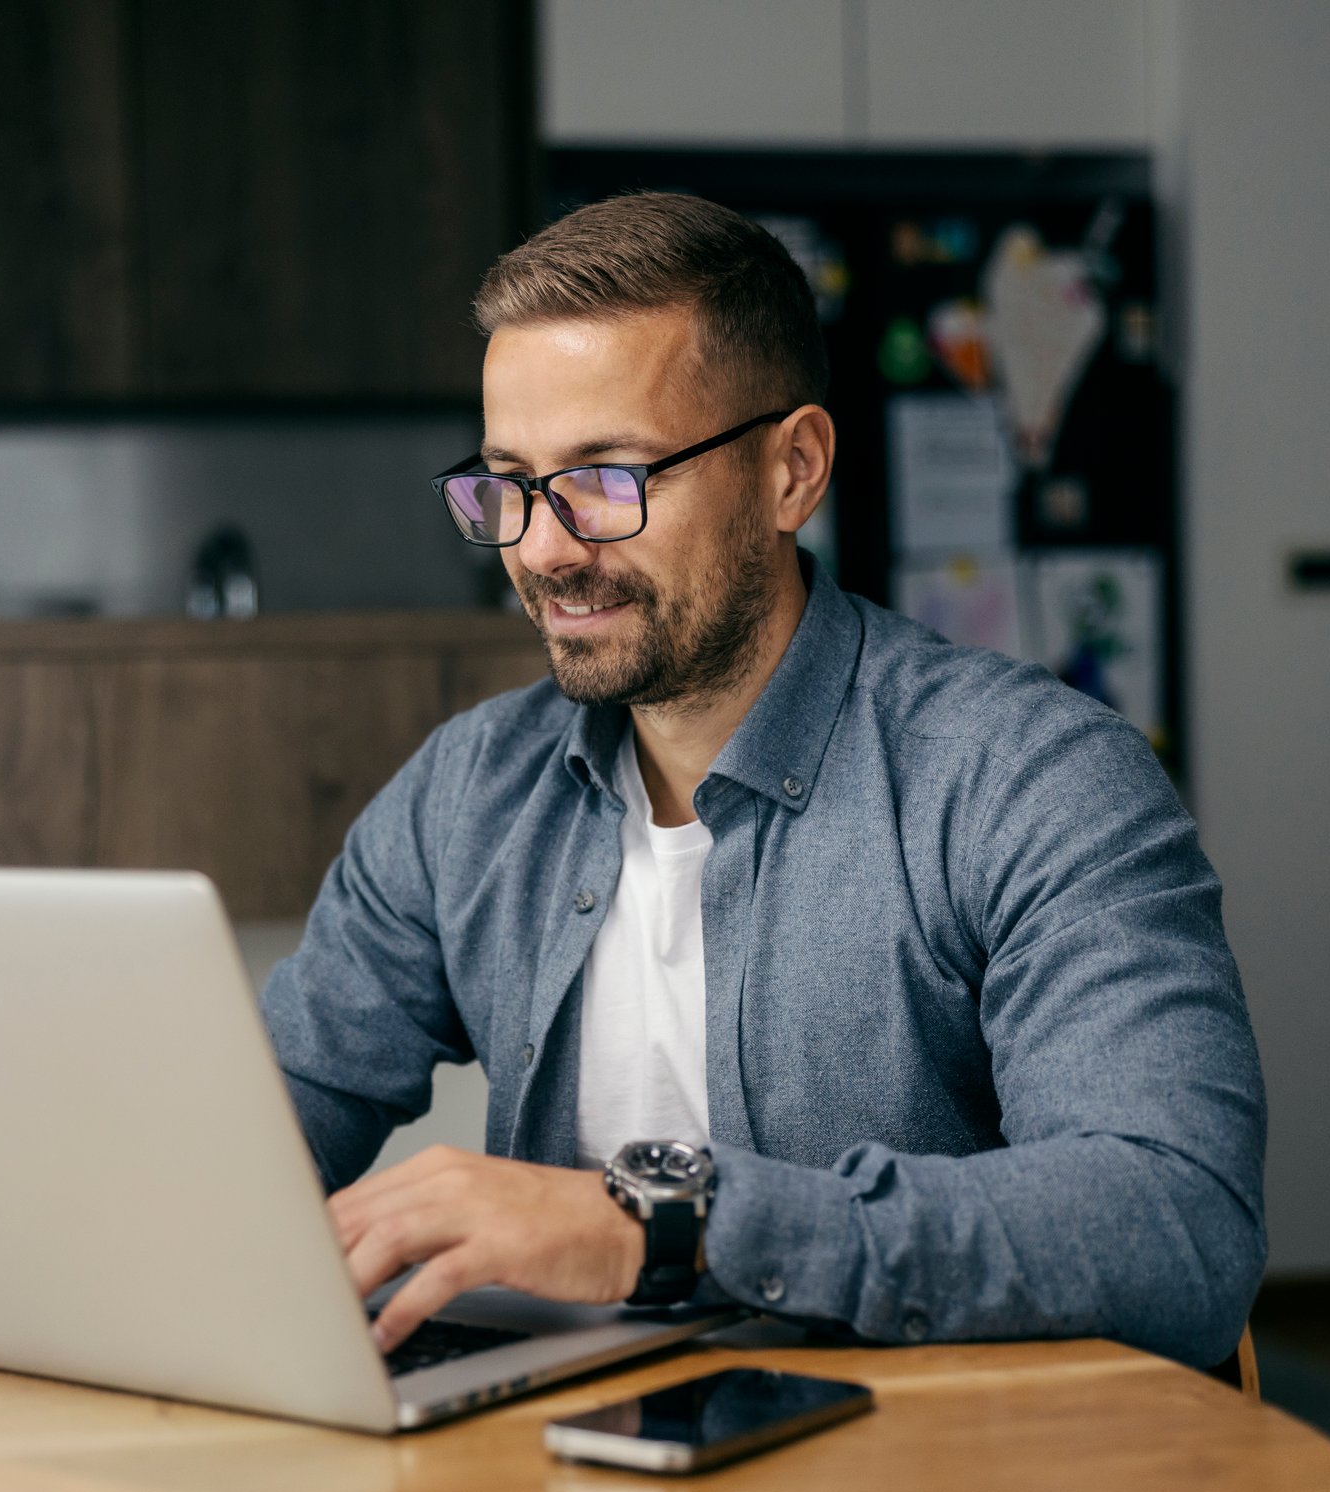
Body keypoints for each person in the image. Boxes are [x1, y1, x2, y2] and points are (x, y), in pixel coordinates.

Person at [262, 192, 1266, 1369]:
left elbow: (1177, 1227)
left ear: (793, 470)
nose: (541, 549)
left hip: (931, 1485)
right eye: (509, 484)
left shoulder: (1031, 778)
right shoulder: (466, 796)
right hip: (551, 1477)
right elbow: (267, 1121)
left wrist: (661, 1226)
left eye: (606, 478)